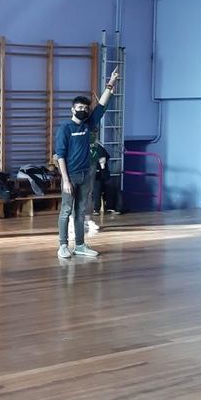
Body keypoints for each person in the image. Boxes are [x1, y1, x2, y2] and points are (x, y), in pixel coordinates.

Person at [53, 66, 120, 259]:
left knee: (81, 211)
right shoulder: (65, 128)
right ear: (72, 109)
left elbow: (101, 107)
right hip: (70, 176)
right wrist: (65, 180)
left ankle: (80, 245)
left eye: (85, 108)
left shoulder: (88, 125)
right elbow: (60, 155)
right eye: (80, 108)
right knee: (66, 211)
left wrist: (111, 83)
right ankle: (63, 245)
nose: (83, 111)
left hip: (86, 173)